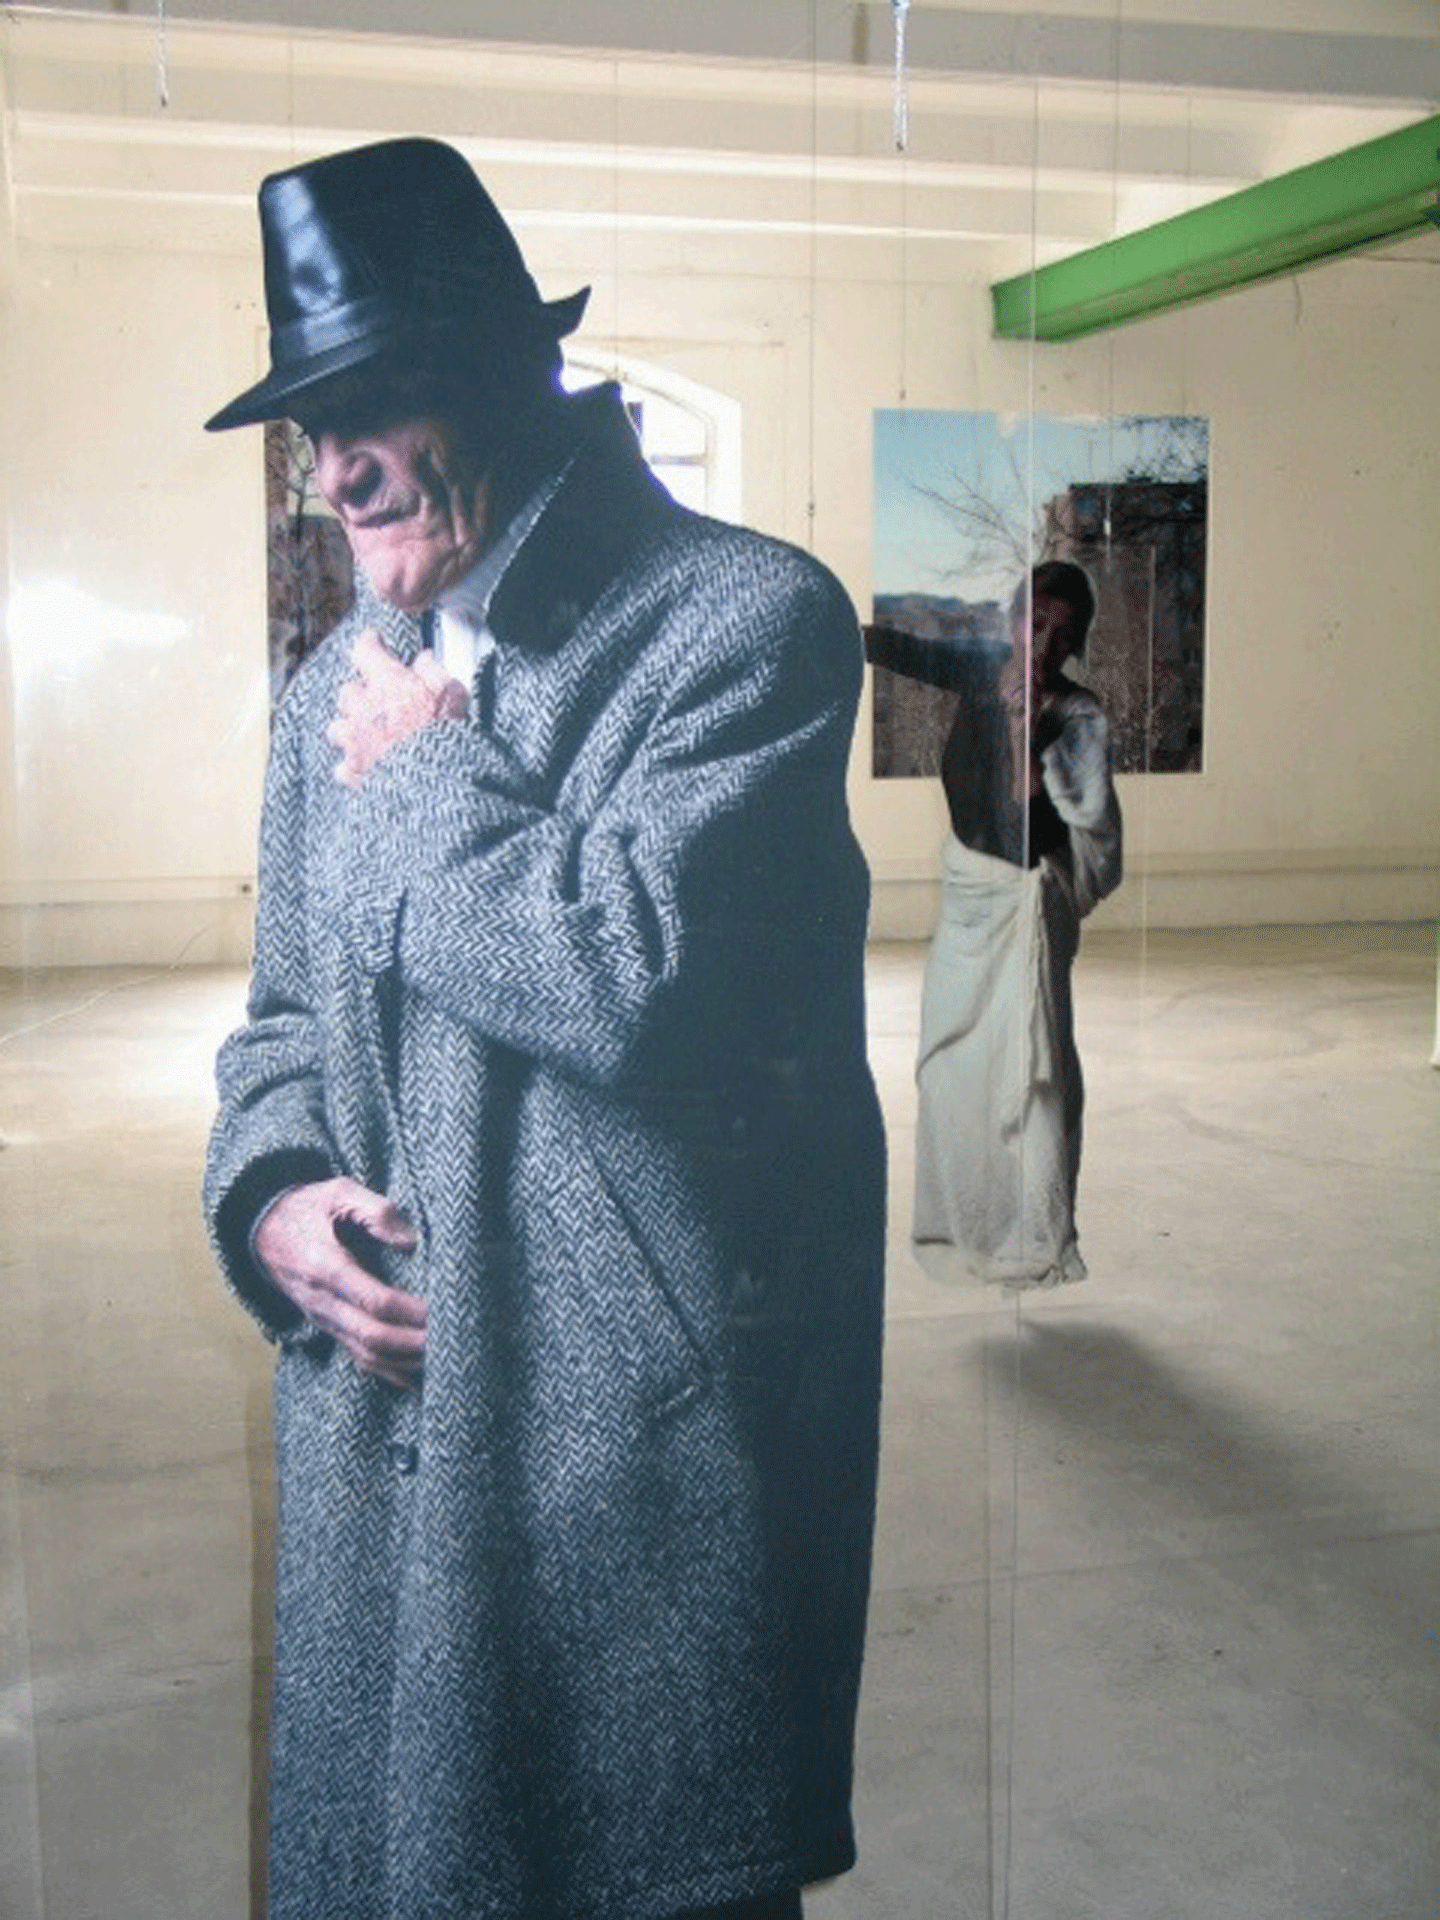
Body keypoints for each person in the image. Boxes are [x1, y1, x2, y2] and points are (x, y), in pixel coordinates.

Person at [202, 137, 886, 1920]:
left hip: (627, 1480)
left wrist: (431, 779)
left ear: (509, 371)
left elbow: (634, 977)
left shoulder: (745, 625)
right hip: (383, 1468)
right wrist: (272, 1200)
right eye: (310, 425)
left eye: (372, 406)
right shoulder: (334, 690)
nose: (333, 469)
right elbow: (281, 1021)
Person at [866, 560, 1121, 1287]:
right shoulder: (978, 672)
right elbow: (896, 649)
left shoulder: (1078, 716)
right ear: (1011, 619)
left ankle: (1034, 1235)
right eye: (1035, 622)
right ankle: (967, 1225)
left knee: (1031, 1075)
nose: (1045, 643)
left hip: (1025, 901)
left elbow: (1044, 824)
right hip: (969, 902)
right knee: (951, 1070)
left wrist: (1025, 735)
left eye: (1063, 633)